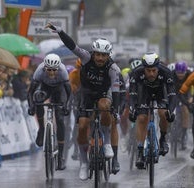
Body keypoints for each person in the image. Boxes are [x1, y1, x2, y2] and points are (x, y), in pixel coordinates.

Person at [45, 23, 120, 180]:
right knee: (83, 126)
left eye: (103, 55)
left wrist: (116, 110)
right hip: (85, 95)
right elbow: (72, 46)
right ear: (93, 53)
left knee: (105, 106)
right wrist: (61, 32)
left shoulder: (113, 69)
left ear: (108, 56)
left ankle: (106, 143)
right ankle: (84, 163)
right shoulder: (86, 57)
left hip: (103, 94)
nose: (100, 58)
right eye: (97, 54)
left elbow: (115, 91)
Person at [129, 52, 176, 169]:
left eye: (154, 70)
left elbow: (172, 94)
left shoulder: (166, 72)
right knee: (141, 118)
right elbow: (133, 94)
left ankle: (163, 139)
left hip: (161, 93)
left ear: (158, 68)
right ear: (143, 68)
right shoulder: (136, 73)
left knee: (163, 113)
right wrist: (133, 108)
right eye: (148, 71)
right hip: (144, 94)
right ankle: (140, 151)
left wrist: (170, 110)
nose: (151, 73)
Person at [27, 53, 71, 170]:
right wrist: (31, 106)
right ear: (44, 68)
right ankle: (41, 130)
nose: (51, 73)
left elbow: (68, 92)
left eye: (54, 70)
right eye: (49, 70)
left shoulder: (63, 72)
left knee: (60, 118)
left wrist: (66, 106)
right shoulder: (39, 72)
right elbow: (30, 92)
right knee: (37, 97)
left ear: (58, 68)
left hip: (59, 90)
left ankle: (60, 156)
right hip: (45, 88)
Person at [171, 61, 192, 150]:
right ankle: (169, 131)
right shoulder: (172, 75)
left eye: (182, 73)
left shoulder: (189, 75)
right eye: (178, 73)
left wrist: (191, 97)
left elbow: (193, 87)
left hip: (185, 93)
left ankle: (183, 136)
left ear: (185, 71)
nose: (180, 75)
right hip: (175, 92)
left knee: (185, 111)